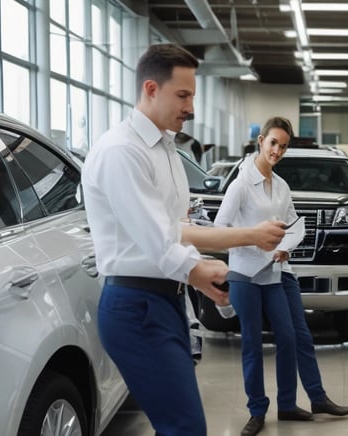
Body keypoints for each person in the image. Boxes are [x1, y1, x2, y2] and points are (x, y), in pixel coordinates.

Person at [82, 43, 286, 436]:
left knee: (180, 424)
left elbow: (174, 228)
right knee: (184, 426)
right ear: (151, 89)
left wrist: (199, 275)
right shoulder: (122, 151)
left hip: (164, 300)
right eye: (183, 95)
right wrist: (197, 270)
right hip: (136, 306)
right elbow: (156, 239)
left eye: (192, 95)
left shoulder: (165, 149)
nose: (191, 107)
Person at [214, 116, 348, 436]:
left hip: (275, 271)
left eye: (284, 146)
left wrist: (286, 246)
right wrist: (253, 238)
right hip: (245, 272)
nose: (277, 150)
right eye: (273, 142)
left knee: (290, 337)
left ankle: (288, 405)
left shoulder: (281, 186)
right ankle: (257, 410)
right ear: (260, 141)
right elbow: (220, 229)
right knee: (251, 343)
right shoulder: (240, 185)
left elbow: (293, 225)